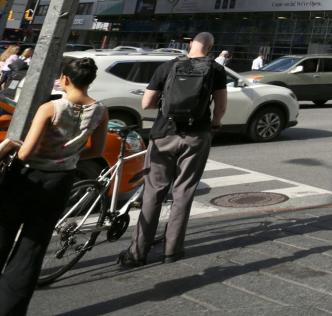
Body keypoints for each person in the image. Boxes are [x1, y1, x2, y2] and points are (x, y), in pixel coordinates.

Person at [0, 57, 107, 313]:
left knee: (2, 236)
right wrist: (67, 155)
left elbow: (26, 152)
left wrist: (14, 145)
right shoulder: (101, 111)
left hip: (27, 177)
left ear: (67, 79)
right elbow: (97, 149)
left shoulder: (51, 108)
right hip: (60, 181)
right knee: (32, 248)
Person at [120, 32, 228, 267]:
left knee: (153, 192)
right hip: (196, 136)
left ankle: (138, 252)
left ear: (190, 44)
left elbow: (146, 103)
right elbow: (220, 106)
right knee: (184, 191)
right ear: (210, 48)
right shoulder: (216, 70)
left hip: (163, 134)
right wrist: (215, 124)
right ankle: (172, 250)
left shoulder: (168, 66)